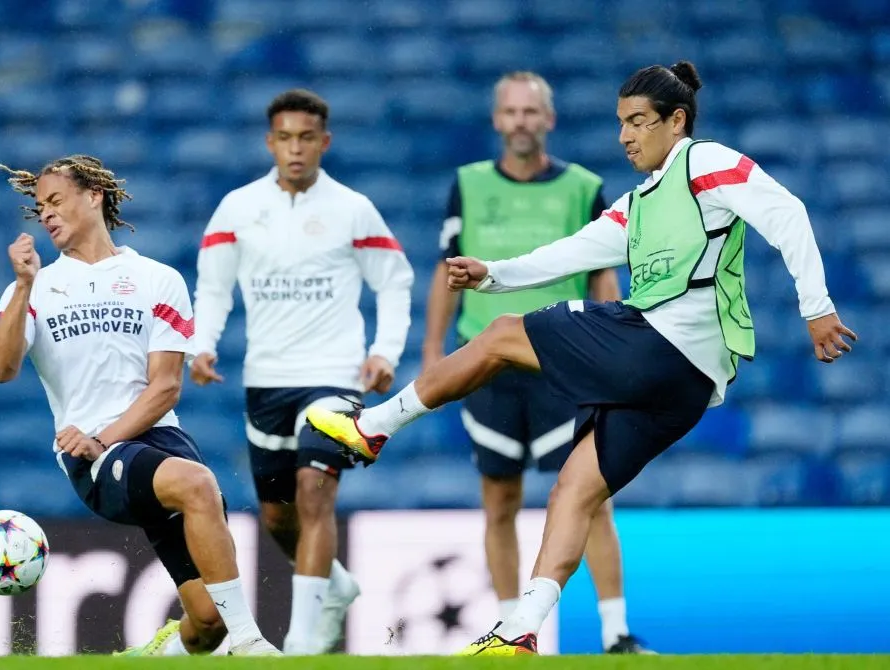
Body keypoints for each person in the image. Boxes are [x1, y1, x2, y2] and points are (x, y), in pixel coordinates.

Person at [305, 61, 858, 656]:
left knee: (499, 337)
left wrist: (816, 307)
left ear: (677, 121)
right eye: (621, 123)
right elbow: (571, 251)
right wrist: (495, 274)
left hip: (658, 345)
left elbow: (788, 212)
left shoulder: (706, 162)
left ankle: (373, 427)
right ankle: (520, 631)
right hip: (687, 388)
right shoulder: (638, 201)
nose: (625, 136)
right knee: (576, 487)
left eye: (639, 122)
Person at [0, 155, 279, 657]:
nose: (47, 215)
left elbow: (165, 388)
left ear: (93, 196)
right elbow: (1, 368)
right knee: (198, 483)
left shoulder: (157, 279)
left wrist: (107, 436)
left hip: (154, 439)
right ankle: (250, 641)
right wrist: (26, 286)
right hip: (91, 458)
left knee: (207, 622)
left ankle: (163, 652)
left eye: (56, 201)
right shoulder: (33, 289)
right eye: (40, 208)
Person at [423, 71, 647, 654]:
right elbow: (447, 271)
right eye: (511, 112)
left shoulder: (583, 187)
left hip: (562, 361)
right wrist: (432, 354)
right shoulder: (468, 185)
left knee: (590, 495)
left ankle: (615, 631)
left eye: (531, 112)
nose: (520, 121)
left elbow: (603, 270)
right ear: (497, 120)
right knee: (500, 501)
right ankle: (509, 632)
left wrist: (611, 349)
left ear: (548, 119)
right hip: (486, 366)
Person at [189, 89, 414, 655]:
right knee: (276, 514)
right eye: (285, 138)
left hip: (334, 376)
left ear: (324, 142)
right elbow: (213, 286)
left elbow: (395, 279)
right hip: (266, 378)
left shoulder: (352, 208)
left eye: (306, 138)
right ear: (270, 142)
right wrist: (203, 344)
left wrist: (385, 351)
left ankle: (302, 644)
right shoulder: (238, 208)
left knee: (315, 492)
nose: (295, 149)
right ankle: (335, 586)